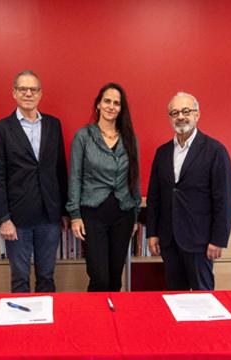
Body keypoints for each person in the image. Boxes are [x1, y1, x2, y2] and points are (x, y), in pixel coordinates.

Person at [146, 91, 231, 290]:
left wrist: (218, 239)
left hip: (200, 240)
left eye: (186, 111)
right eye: (174, 112)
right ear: (170, 118)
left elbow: (225, 199)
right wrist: (152, 232)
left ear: (197, 114)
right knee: (175, 295)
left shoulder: (215, 151)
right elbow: (154, 197)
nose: (180, 116)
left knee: (203, 298)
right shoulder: (162, 153)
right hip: (169, 239)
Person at [0, 70, 68, 293]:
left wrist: (63, 210)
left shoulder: (54, 125)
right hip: (17, 218)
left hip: (49, 216)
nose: (28, 93)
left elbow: (60, 170)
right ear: (14, 93)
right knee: (20, 279)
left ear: (40, 94)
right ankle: (21, 327)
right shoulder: (2, 129)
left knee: (46, 277)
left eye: (33, 89)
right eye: (23, 89)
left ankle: (46, 327)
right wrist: (4, 218)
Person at [67, 83, 141, 292]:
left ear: (121, 108)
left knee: (116, 277)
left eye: (117, 103)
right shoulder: (84, 136)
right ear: (98, 104)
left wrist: (135, 214)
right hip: (93, 214)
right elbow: (75, 177)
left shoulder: (129, 138)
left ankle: (113, 323)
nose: (111, 106)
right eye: (107, 101)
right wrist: (75, 215)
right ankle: (96, 322)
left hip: (123, 214)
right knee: (100, 277)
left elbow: (135, 178)